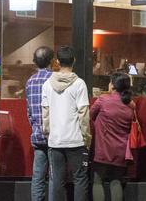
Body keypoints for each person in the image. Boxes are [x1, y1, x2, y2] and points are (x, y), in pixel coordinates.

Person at [41, 45, 91, 201]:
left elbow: (45, 113)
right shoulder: (79, 84)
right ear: (74, 61)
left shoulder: (47, 84)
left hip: (55, 140)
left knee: (57, 180)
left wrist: (48, 133)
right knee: (80, 178)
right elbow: (83, 113)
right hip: (75, 140)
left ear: (57, 61)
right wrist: (86, 137)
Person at [91, 72, 135, 201]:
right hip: (121, 151)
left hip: (102, 149)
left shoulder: (103, 99)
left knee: (97, 181)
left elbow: (91, 115)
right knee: (116, 181)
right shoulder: (131, 105)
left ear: (113, 85)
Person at [25, 46, 55, 201]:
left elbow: (29, 112)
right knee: (54, 177)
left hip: (37, 135)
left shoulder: (30, 82)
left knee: (37, 177)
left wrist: (36, 126)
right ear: (51, 61)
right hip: (55, 136)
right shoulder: (55, 79)